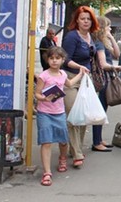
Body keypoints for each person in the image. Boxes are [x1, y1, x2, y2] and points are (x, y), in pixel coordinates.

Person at [35, 46, 85, 186]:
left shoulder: (63, 74)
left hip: (59, 113)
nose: (54, 61)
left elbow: (69, 84)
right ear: (48, 60)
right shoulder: (44, 75)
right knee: (46, 141)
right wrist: (44, 98)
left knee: (63, 140)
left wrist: (80, 74)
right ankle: (47, 172)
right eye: (51, 58)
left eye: (57, 58)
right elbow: (37, 93)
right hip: (44, 112)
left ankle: (63, 158)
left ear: (63, 60)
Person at [61, 5, 99, 168]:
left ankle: (75, 148)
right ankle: (77, 153)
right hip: (70, 79)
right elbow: (64, 59)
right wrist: (79, 67)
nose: (86, 21)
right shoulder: (72, 37)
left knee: (83, 116)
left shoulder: (91, 37)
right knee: (73, 115)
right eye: (82, 18)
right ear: (76, 20)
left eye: (88, 19)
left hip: (86, 81)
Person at [91, 16, 121, 152]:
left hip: (105, 78)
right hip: (103, 79)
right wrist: (116, 68)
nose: (110, 28)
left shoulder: (103, 42)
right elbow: (103, 64)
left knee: (102, 110)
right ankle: (96, 142)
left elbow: (117, 54)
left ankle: (98, 139)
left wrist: (110, 37)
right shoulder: (98, 43)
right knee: (100, 110)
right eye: (108, 26)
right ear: (102, 27)